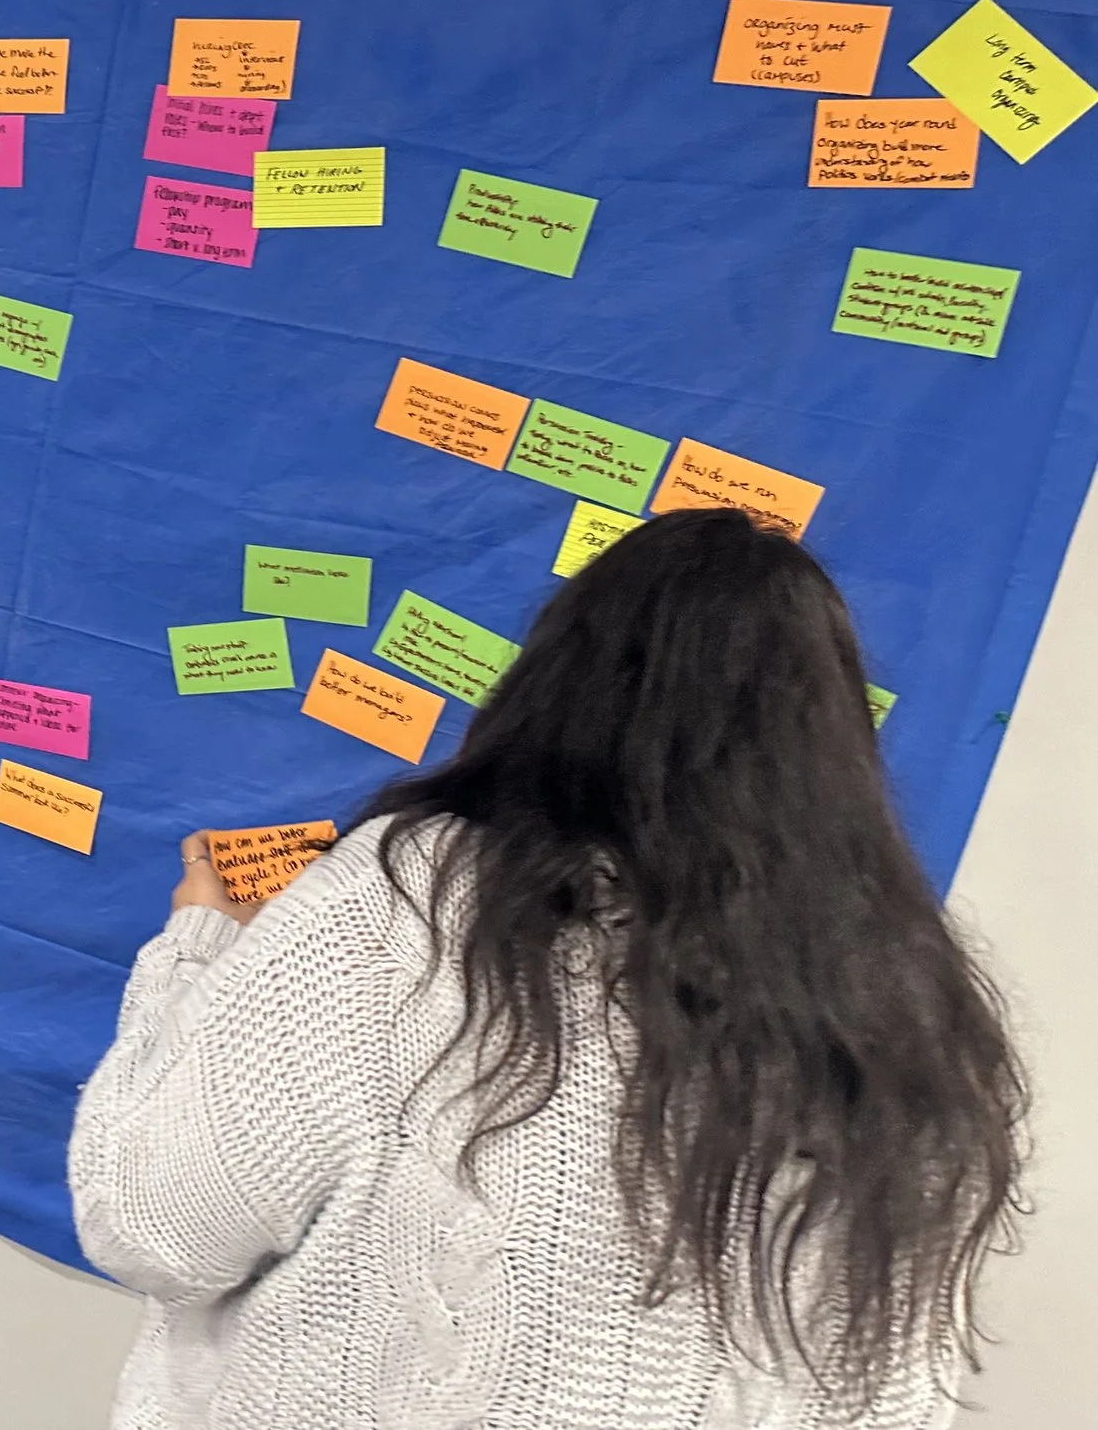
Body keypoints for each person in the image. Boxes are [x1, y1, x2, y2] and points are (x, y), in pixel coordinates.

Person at [70, 508, 1023, 1430]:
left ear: (557, 683)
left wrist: (192, 952)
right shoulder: (909, 1011)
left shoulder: (417, 899)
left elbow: (154, 1227)